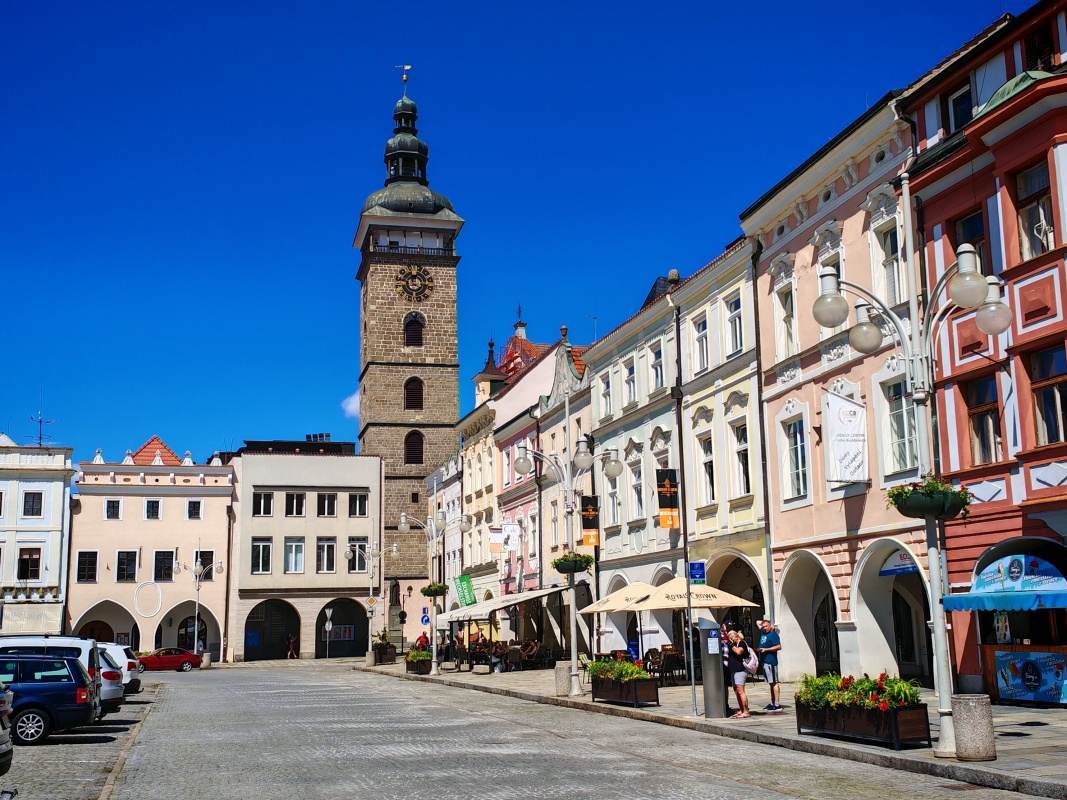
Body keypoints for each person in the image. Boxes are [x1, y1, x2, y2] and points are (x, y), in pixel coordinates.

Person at [757, 619, 783, 712]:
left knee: (774, 682)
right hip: (764, 661)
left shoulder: (773, 635)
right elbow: (757, 622)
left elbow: (779, 646)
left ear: (770, 626)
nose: (764, 628)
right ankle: (772, 703)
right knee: (770, 683)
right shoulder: (763, 633)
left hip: (770, 661)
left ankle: (777, 704)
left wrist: (766, 650)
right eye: (763, 626)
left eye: (766, 626)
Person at [726, 629, 751, 718]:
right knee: (737, 691)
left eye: (731, 638)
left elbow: (739, 652)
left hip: (740, 670)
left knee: (741, 691)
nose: (731, 640)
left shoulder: (741, 643)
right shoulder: (734, 644)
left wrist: (731, 645)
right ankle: (741, 709)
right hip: (734, 670)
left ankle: (746, 711)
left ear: (735, 636)